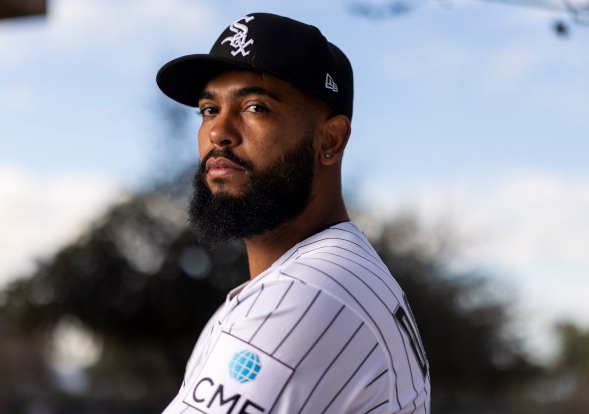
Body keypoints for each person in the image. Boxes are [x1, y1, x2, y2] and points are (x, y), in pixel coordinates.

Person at [156, 12, 430, 414]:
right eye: (209, 109)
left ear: (330, 140)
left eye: (255, 107)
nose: (219, 132)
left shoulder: (306, 293)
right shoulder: (333, 273)